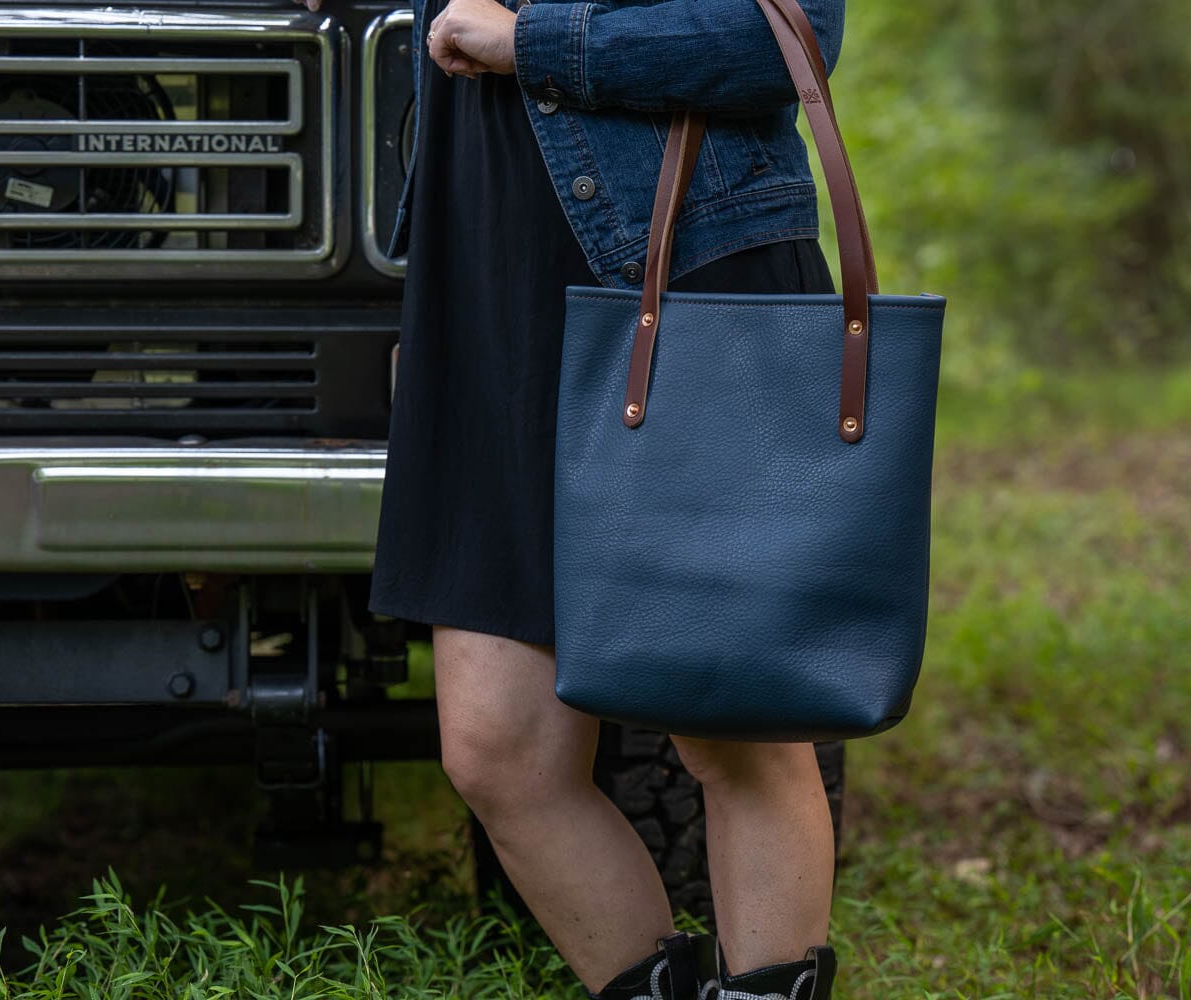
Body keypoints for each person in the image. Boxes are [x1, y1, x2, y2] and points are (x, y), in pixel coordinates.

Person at [297, 0, 846, 996]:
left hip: (682, 274)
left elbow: (787, 34)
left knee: (733, 733)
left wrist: (528, 44)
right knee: (499, 750)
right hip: (487, 288)